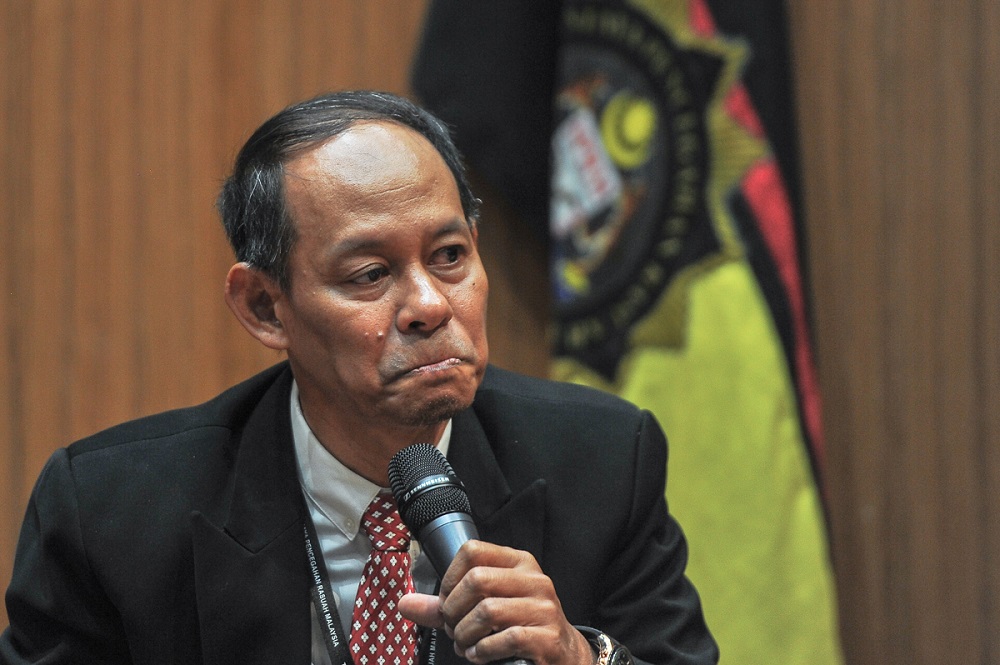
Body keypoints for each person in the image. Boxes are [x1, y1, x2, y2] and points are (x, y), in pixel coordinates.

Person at [0, 91, 718, 665]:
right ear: (264, 306)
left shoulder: (601, 461)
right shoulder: (108, 515)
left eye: (449, 256)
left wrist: (577, 657)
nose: (432, 306)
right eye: (371, 274)